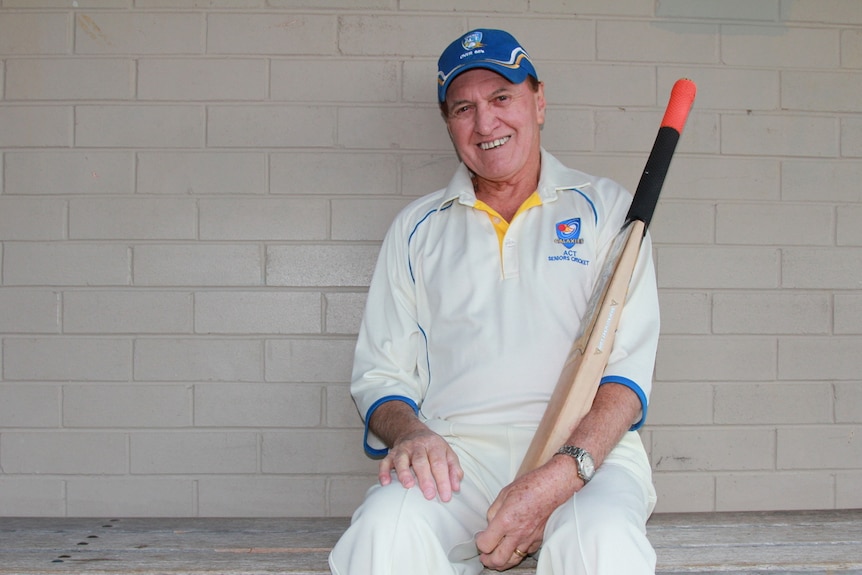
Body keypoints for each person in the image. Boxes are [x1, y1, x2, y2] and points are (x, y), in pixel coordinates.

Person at [329, 28, 660, 575]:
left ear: (539, 101)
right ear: (449, 124)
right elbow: (380, 376)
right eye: (465, 108)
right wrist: (412, 434)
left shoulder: (607, 210)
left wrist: (561, 473)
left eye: (502, 97)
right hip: (458, 457)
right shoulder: (416, 229)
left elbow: (625, 376)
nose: (486, 124)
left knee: (602, 546)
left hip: (583, 456)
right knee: (381, 539)